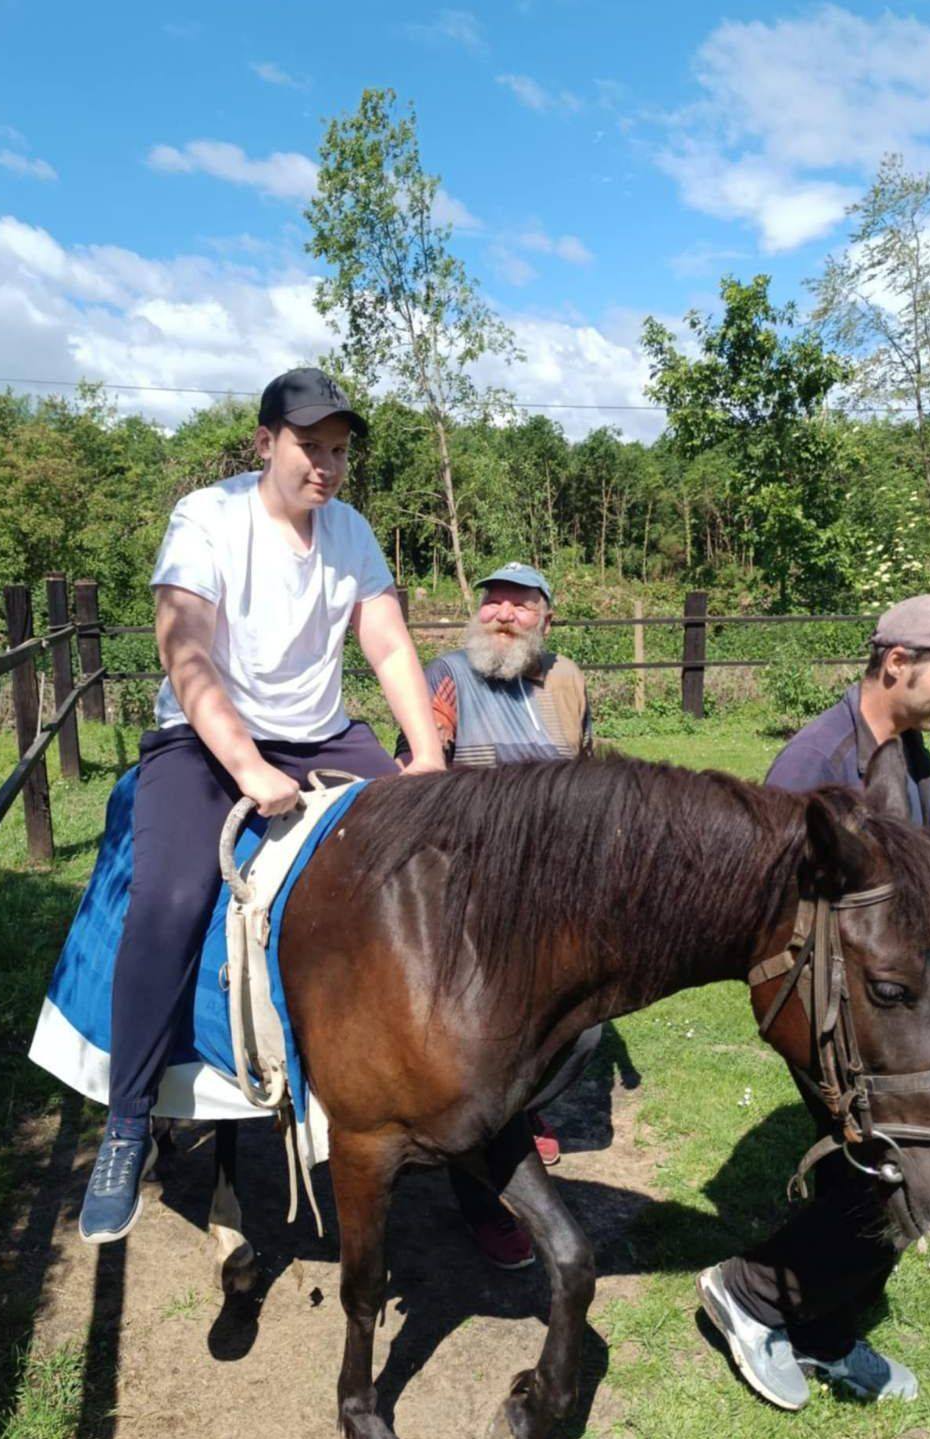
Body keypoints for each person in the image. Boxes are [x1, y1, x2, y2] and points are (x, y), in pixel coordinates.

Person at [78, 368, 445, 1244]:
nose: (326, 464)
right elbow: (186, 652)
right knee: (168, 897)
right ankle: (127, 1122)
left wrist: (425, 755)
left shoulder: (350, 531)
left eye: (340, 450)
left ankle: (425, 1070)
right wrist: (244, 765)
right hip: (207, 739)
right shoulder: (208, 518)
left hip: (319, 735)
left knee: (438, 849)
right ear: (265, 441)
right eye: (310, 445)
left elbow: (386, 639)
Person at [696, 594, 930, 1408]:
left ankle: (824, 1328)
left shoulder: (908, 753)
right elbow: (760, 912)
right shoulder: (813, 765)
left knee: (900, 1167)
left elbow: (914, 883)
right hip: (833, 1003)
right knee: (897, 1173)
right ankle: (752, 1294)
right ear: (896, 661)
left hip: (893, 993)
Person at [399, 561, 602, 1268]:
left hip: (552, 890)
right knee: (477, 1052)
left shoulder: (567, 680)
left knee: (585, 1029)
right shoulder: (443, 676)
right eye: (493, 602)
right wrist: (431, 746)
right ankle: (484, 1198)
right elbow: (409, 795)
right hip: (467, 894)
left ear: (547, 616)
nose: (503, 615)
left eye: (521, 604)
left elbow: (584, 780)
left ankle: (521, 1102)